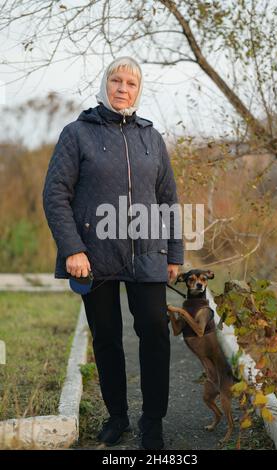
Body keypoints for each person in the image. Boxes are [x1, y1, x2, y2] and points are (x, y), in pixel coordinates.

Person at [42, 56, 184, 450]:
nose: (123, 88)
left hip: (147, 252)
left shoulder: (150, 138)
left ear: (139, 90)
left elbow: (168, 198)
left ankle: (152, 422)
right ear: (106, 85)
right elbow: (56, 194)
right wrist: (72, 248)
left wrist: (174, 252)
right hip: (94, 255)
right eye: (116, 80)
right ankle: (117, 417)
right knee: (106, 338)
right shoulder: (77, 133)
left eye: (131, 83)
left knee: (154, 330)